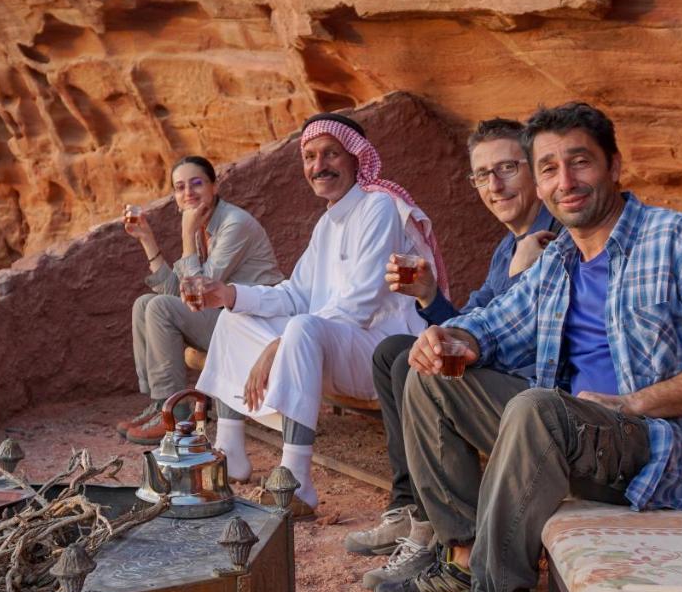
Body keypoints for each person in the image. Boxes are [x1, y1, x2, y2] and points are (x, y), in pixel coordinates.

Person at [373, 102, 682, 592]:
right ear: (538, 183)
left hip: (662, 445)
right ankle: (464, 558)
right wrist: (451, 338)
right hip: (576, 429)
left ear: (614, 165)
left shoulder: (681, 240)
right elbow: (495, 321)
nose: (565, 182)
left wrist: (640, 402)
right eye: (549, 169)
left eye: (580, 162)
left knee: (538, 409)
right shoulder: (558, 258)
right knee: (427, 374)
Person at [345, 118, 562, 590]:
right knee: (393, 354)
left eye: (507, 168)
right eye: (482, 175)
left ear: (536, 171)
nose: (494, 185)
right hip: (508, 382)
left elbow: (527, 338)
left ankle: (456, 547)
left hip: (541, 398)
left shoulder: (555, 237)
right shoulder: (510, 246)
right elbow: (478, 319)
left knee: (417, 368)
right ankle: (412, 510)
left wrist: (525, 273)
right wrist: (428, 296)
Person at [192, 112, 442, 516]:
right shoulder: (328, 223)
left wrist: (279, 343)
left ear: (357, 160)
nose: (318, 165)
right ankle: (230, 451)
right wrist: (230, 293)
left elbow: (360, 303)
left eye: (331, 154)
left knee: (301, 329)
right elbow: (296, 293)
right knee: (233, 317)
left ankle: (296, 482)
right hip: (332, 344)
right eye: (309, 156)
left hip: (381, 351)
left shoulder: (378, 208)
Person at [119, 155, 282, 444]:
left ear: (214, 187)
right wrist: (147, 240)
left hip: (254, 323)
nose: (188, 193)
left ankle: (177, 410)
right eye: (180, 187)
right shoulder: (202, 224)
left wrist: (186, 234)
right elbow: (179, 296)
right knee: (144, 304)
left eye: (196, 184)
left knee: (157, 307)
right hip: (224, 318)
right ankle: (161, 405)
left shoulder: (234, 223)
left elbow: (200, 291)